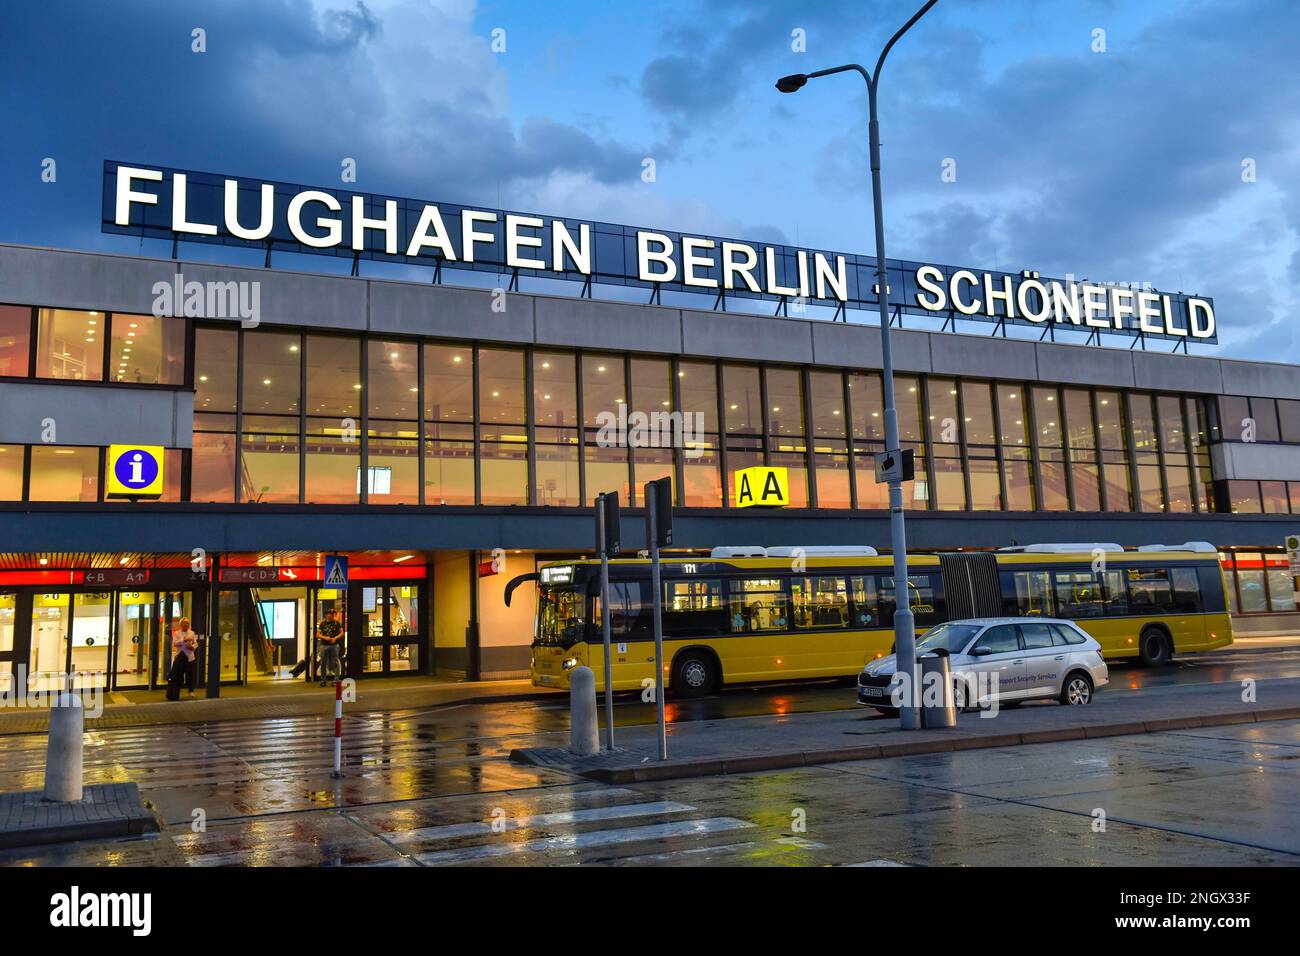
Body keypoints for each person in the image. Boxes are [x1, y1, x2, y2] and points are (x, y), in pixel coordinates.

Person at [169, 617, 199, 698]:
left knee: (190, 675)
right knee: (179, 675)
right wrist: (184, 640)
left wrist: (193, 647)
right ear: (181, 625)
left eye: (188, 623)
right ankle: (176, 691)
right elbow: (175, 643)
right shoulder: (176, 633)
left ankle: (191, 691)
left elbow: (196, 643)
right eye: (185, 623)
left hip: (190, 657)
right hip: (180, 658)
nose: (186, 625)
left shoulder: (192, 633)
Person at [317, 609, 343, 686]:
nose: (331, 615)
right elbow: (317, 634)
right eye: (330, 614)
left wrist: (335, 638)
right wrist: (325, 638)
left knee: (335, 662)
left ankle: (336, 679)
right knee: (323, 663)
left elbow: (342, 633)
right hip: (324, 645)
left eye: (332, 614)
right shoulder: (322, 624)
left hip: (334, 645)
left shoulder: (337, 623)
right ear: (326, 615)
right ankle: (323, 680)